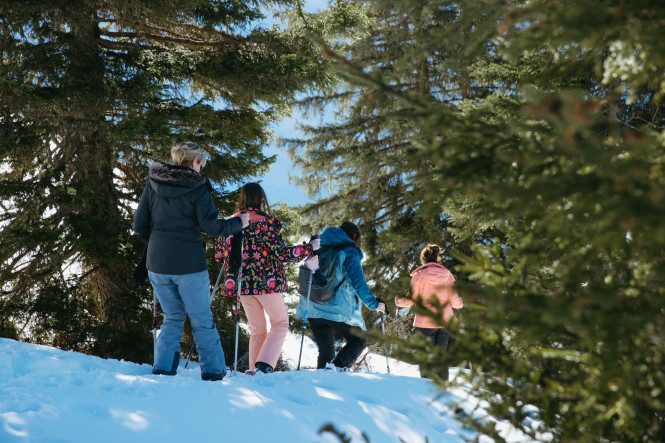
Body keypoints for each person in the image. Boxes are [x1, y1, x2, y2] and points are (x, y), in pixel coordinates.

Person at [133, 141, 249, 381]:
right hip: (189, 266)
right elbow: (213, 227)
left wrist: (157, 243)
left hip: (157, 264)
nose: (201, 169)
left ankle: (163, 368)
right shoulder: (197, 188)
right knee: (201, 318)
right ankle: (215, 371)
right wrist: (240, 223)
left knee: (172, 316)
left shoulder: (153, 183)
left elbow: (139, 226)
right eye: (202, 163)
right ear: (195, 161)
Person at [215, 183, 319, 374]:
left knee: (258, 330)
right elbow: (283, 254)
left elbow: (219, 256)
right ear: (261, 200)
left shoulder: (230, 223)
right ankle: (263, 367)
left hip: (242, 285)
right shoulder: (266, 223)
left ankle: (254, 369)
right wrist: (309, 247)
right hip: (267, 282)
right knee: (280, 323)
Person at [296, 222, 387, 370]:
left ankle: (325, 383)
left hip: (312, 306)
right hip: (336, 308)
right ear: (355, 236)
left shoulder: (318, 247)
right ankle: (336, 368)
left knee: (326, 352)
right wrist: (375, 304)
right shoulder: (349, 251)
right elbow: (358, 282)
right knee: (359, 340)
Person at [395, 244, 463, 379]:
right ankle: (443, 389)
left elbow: (411, 299)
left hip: (425, 322)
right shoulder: (447, 276)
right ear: (437, 258)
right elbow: (456, 303)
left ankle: (426, 390)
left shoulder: (419, 275)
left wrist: (398, 301)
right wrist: (461, 303)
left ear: (423, 259)